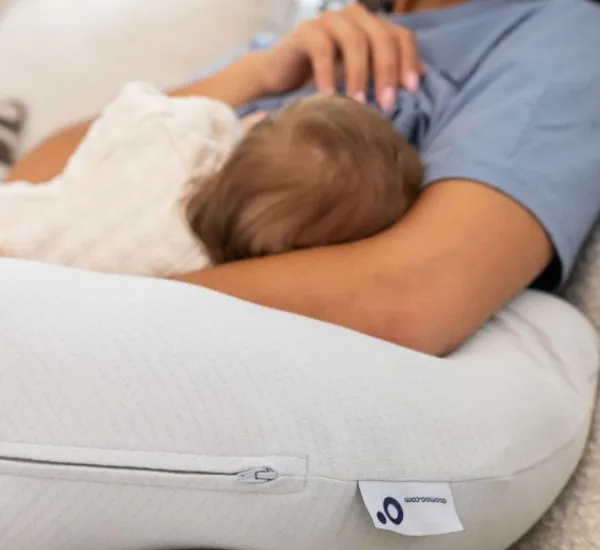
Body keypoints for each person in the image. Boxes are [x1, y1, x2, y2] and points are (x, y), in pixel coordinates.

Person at [7, 0, 600, 358]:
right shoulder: (322, 30)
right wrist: (255, 73)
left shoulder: (561, 41)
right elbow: (37, 177)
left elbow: (414, 296)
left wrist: (79, 302)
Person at [0, 87, 421, 276]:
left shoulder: (177, 143)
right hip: (32, 268)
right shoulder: (202, 273)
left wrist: (229, 129)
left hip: (18, 215)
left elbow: (134, 107)